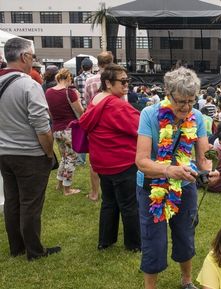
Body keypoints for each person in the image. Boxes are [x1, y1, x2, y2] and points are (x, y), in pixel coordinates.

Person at [135, 66, 220, 289]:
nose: (186, 107)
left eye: (191, 100)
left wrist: (209, 172)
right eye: (181, 101)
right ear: (168, 93)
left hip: (184, 186)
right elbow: (141, 161)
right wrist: (167, 170)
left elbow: (203, 159)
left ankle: (187, 281)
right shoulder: (149, 115)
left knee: (185, 234)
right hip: (152, 186)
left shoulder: (197, 117)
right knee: (154, 240)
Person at [0, 37, 61, 260]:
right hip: (29, 154)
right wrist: (48, 153)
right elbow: (42, 127)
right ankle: (35, 251)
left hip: (4, 152)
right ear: (25, 57)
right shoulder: (29, 85)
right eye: (33, 57)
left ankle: (17, 247)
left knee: (13, 201)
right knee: (31, 204)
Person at [79, 64, 141, 252]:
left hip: (102, 163)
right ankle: (134, 244)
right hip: (122, 162)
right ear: (108, 83)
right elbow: (140, 128)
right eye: (122, 81)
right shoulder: (116, 105)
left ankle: (105, 240)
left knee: (109, 202)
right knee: (129, 205)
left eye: (127, 80)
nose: (126, 85)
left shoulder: (96, 101)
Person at [45, 68, 83, 196]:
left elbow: (49, 112)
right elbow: (80, 110)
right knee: (71, 157)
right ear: (68, 78)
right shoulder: (70, 92)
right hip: (69, 129)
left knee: (64, 158)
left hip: (56, 129)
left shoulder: (48, 92)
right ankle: (67, 188)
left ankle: (59, 184)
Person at [83, 51, 114, 202]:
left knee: (94, 160)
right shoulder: (117, 80)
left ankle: (95, 193)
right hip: (114, 125)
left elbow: (86, 103)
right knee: (114, 157)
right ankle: (112, 192)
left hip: (94, 125)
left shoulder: (90, 80)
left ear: (98, 63)